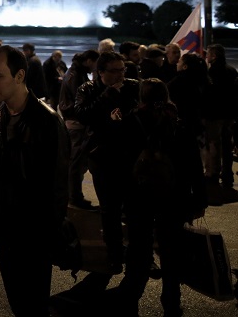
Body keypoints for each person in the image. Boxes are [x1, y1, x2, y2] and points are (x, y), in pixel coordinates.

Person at [0, 45, 69, 317]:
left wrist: (48, 236)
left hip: (33, 233)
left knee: (33, 303)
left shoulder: (47, 122)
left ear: (20, 76)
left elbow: (56, 188)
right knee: (17, 300)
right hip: (4, 226)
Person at [109, 78, 207, 317]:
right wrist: (199, 199)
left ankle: (131, 298)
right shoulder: (178, 124)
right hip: (174, 197)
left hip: (139, 197)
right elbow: (194, 165)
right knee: (171, 251)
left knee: (139, 251)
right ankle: (171, 301)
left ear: (141, 97)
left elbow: (118, 163)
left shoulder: (130, 123)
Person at [74, 51, 141, 275]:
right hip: (102, 156)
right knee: (109, 209)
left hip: (131, 154)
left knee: (135, 207)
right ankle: (114, 255)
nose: (121, 74)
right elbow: (83, 115)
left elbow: (143, 114)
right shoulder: (88, 89)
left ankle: (140, 254)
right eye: (115, 71)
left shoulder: (132, 86)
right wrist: (108, 95)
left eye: (123, 69)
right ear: (100, 72)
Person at [58, 49, 99, 209]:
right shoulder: (76, 75)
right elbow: (78, 100)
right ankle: (74, 196)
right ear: (89, 60)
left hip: (74, 121)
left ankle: (73, 195)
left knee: (75, 161)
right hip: (76, 122)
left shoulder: (74, 72)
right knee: (76, 162)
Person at [203, 44, 238, 203]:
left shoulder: (211, 73)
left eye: (208, 55)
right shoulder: (231, 70)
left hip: (215, 115)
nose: (207, 57)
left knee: (215, 145)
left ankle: (214, 176)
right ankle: (228, 176)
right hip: (229, 114)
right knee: (227, 146)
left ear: (214, 56)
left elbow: (208, 95)